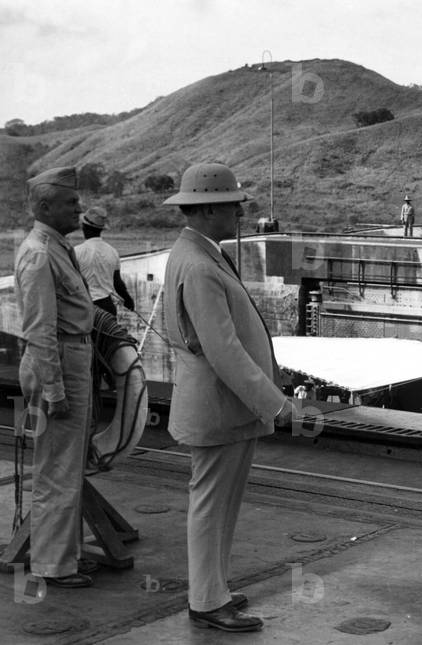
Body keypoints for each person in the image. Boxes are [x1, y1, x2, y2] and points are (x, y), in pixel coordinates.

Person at [163, 162, 294, 632]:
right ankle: (205, 600)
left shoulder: (199, 253)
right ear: (209, 208)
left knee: (220, 505)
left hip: (223, 406)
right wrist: (275, 402)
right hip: (219, 406)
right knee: (212, 505)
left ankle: (214, 591)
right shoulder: (199, 264)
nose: (240, 213)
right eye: (234, 206)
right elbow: (224, 350)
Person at [14, 167, 95, 588]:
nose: (79, 209)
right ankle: (52, 565)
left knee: (66, 467)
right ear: (46, 207)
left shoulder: (58, 247)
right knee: (56, 470)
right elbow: (40, 330)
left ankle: (65, 556)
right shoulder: (40, 254)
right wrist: (55, 390)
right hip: (58, 361)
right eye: (71, 203)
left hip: (70, 355)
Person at [74, 206, 135, 316]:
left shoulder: (76, 252)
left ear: (84, 227)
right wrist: (128, 299)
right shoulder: (112, 252)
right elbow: (118, 283)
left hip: (84, 307)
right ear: (101, 229)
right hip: (107, 307)